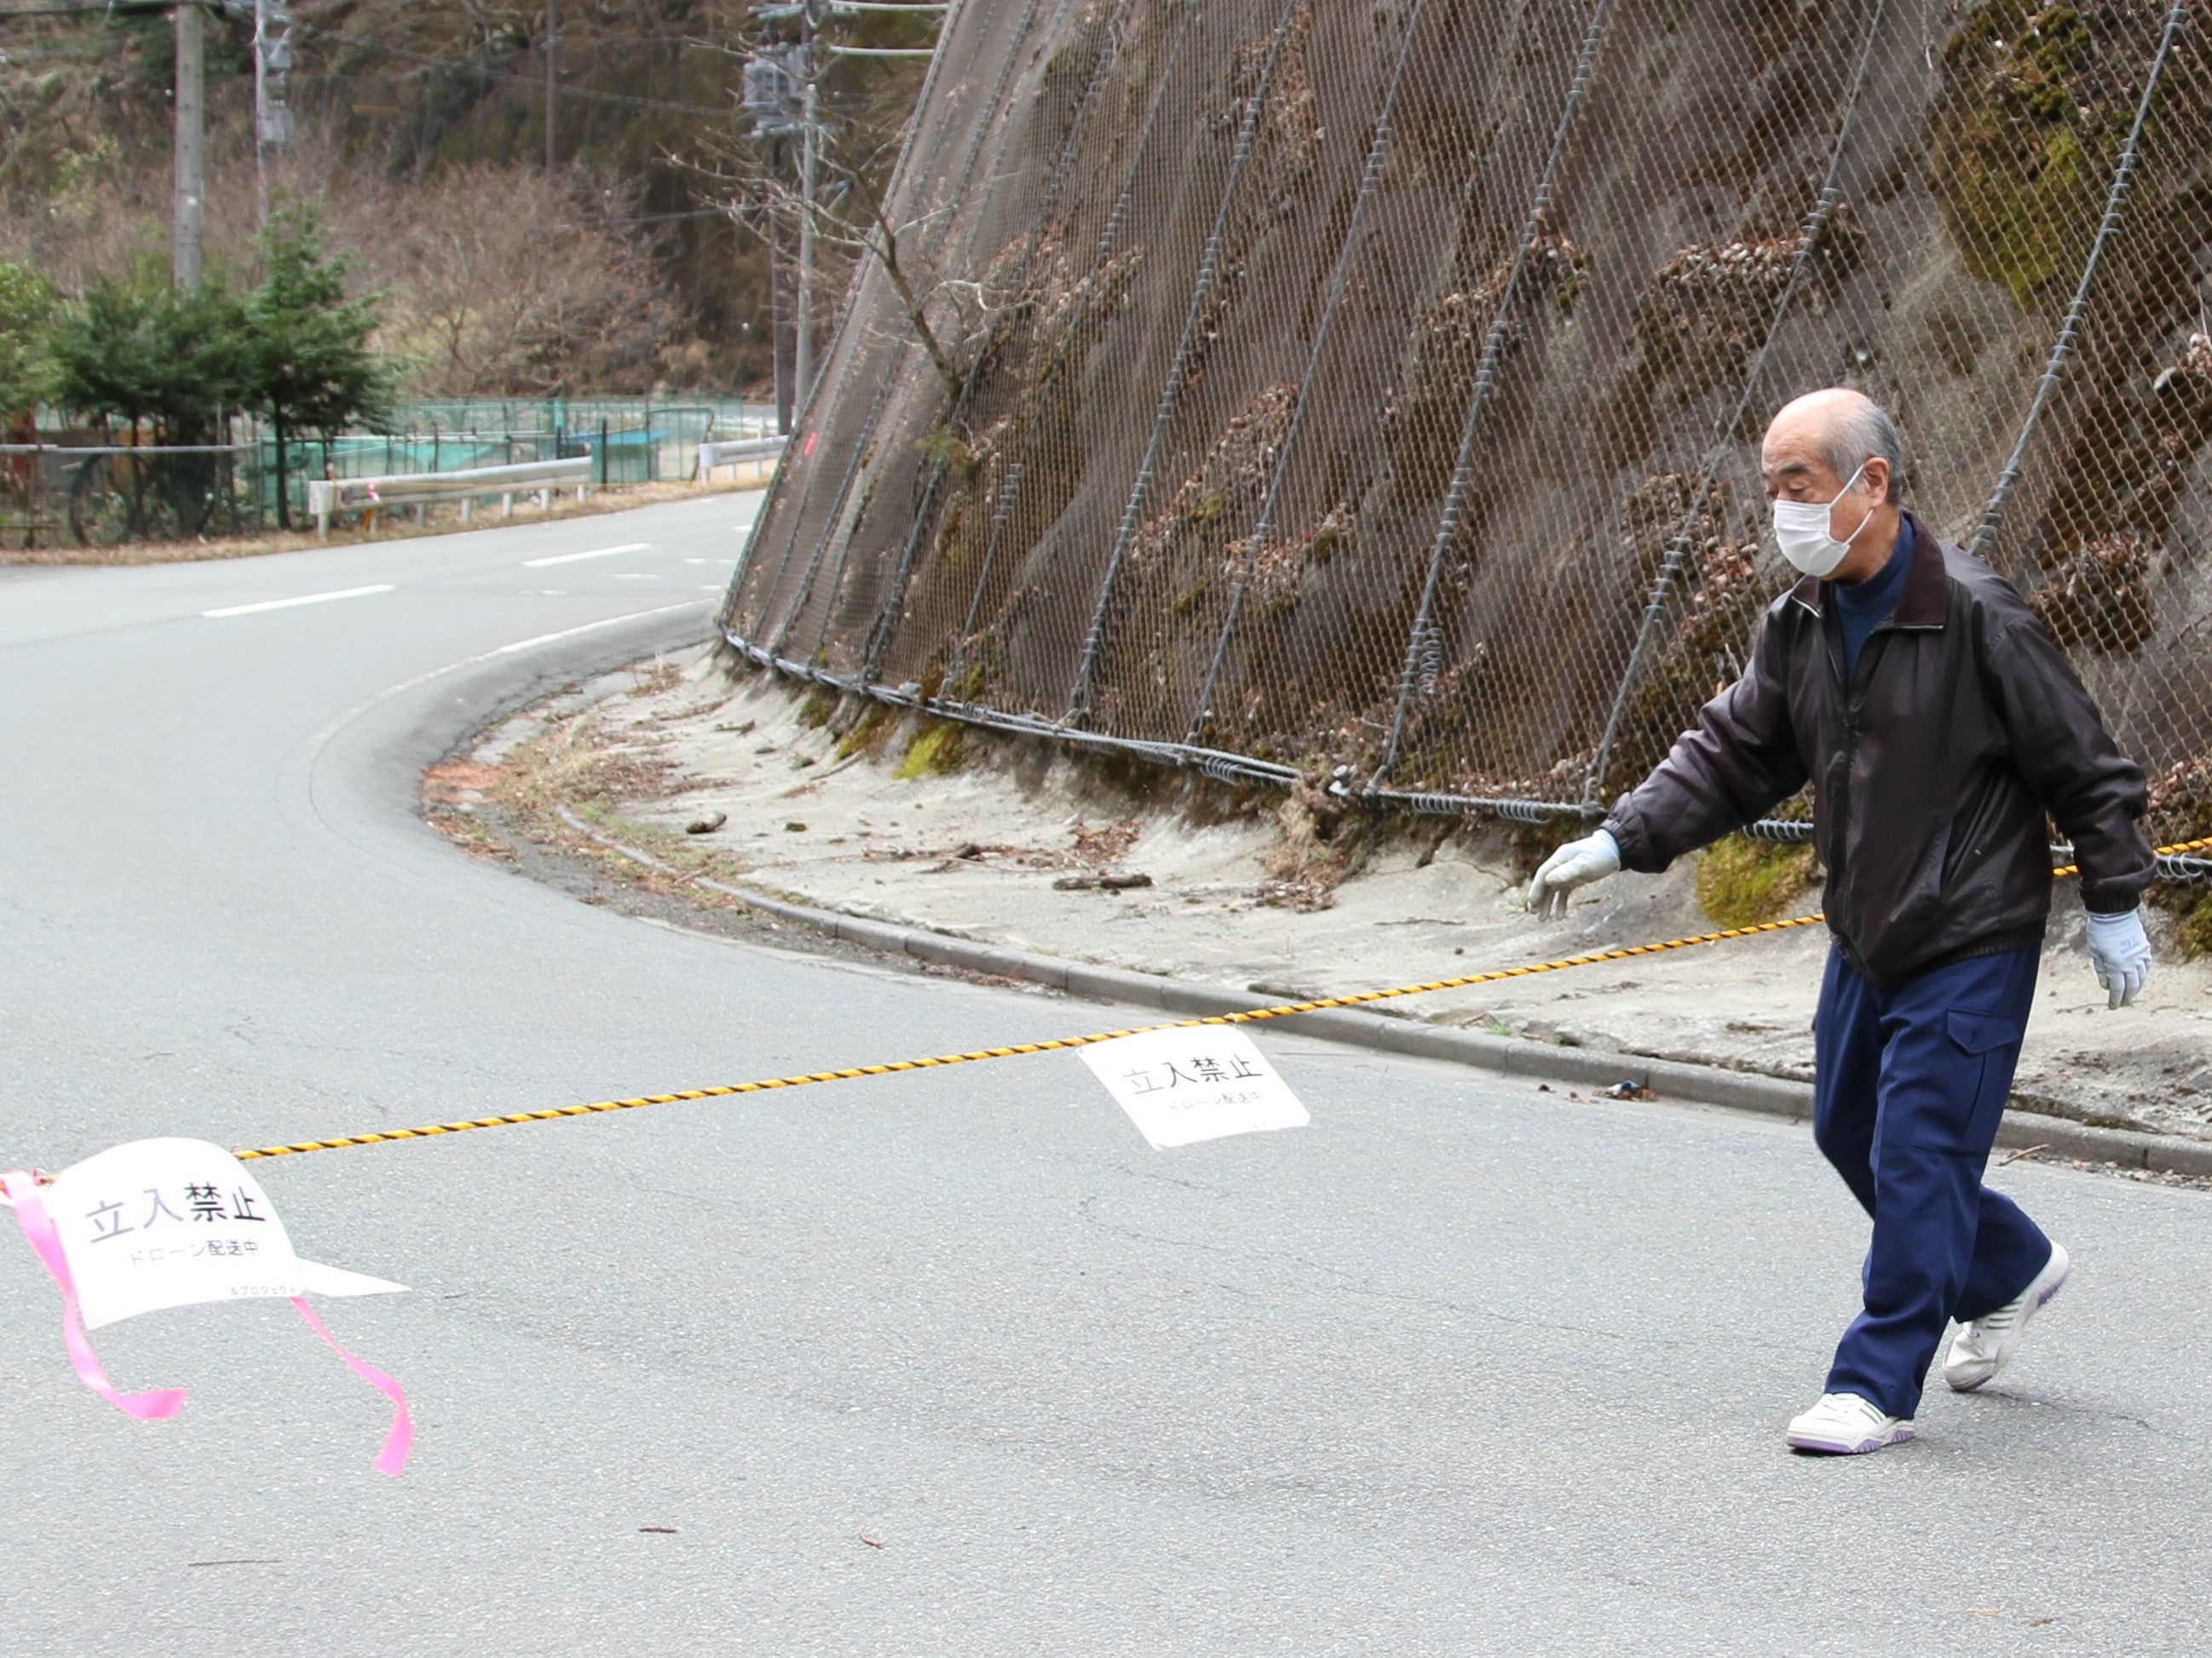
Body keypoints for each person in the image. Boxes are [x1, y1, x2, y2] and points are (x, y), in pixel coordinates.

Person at [1528, 388, 2156, 1455]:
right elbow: (1733, 751)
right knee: (1845, 1131)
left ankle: (1872, 1380)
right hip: (1866, 934)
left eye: (1798, 485)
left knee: (1916, 1153)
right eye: (1771, 488)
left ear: (1871, 483)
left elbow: (2084, 763)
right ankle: (2008, 1266)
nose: (1780, 510)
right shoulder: (1801, 619)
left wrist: (2112, 899)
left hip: (1970, 935)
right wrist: (1621, 838)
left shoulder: (1975, 614)